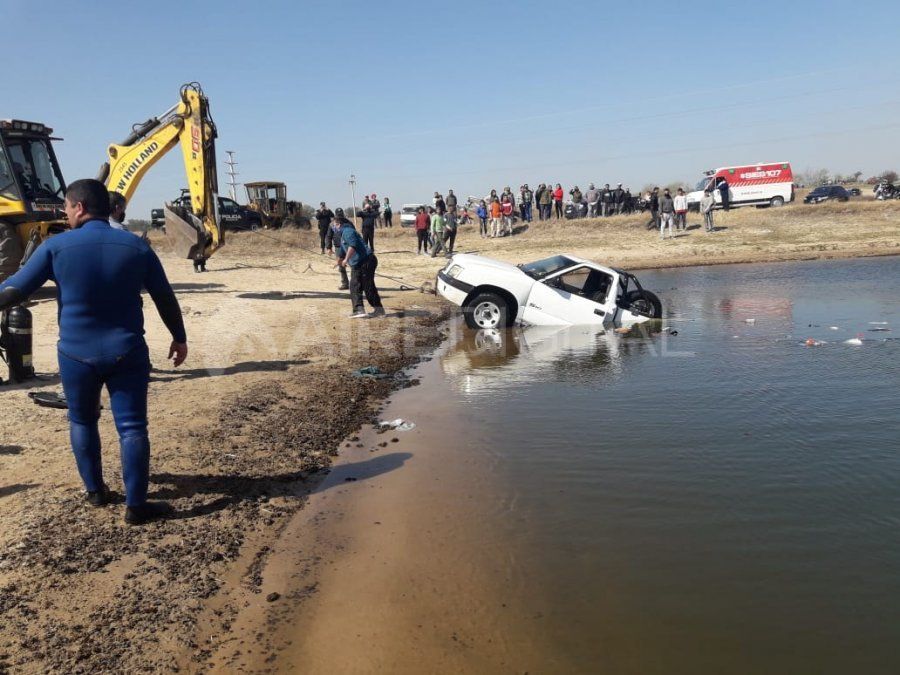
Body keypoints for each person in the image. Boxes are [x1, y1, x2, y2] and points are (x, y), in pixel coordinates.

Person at [0, 179, 187, 525]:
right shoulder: (136, 246)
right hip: (127, 350)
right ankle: (136, 506)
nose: (65, 214)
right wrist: (179, 337)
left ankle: (96, 492)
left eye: (67, 208)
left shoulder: (56, 247)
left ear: (80, 207)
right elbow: (164, 297)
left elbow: (13, 290)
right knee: (132, 428)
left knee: (82, 420)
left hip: (75, 354)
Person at [337, 210, 384, 318]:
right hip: (361, 263)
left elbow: (352, 246)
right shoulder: (344, 234)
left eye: (335, 225)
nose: (334, 227)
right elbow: (343, 251)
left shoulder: (347, 231)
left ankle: (360, 309)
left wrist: (346, 260)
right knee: (366, 286)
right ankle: (378, 310)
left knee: (357, 285)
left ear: (339, 224)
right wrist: (340, 260)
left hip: (365, 262)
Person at [327, 215, 350, 289]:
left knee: (354, 265)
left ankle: (358, 283)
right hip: (338, 247)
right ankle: (345, 283)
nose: (337, 225)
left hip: (348, 246)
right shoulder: (331, 225)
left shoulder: (348, 224)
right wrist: (328, 247)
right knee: (341, 266)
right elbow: (328, 236)